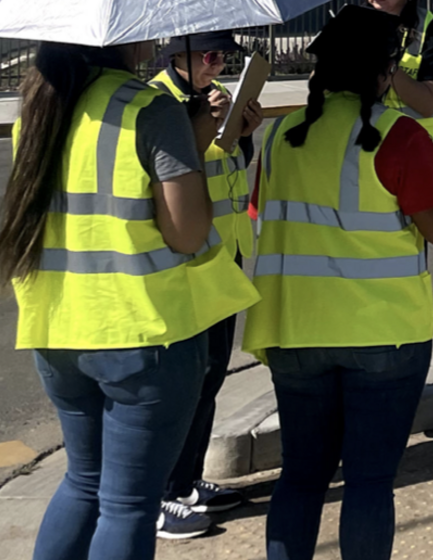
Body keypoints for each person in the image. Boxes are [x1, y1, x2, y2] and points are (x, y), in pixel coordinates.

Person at [0, 41, 260, 560]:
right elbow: (187, 233)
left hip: (58, 329)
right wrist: (193, 140)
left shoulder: (40, 107)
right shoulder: (147, 108)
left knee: (82, 482)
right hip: (144, 334)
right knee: (128, 504)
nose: (156, 42)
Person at [242, 6, 433, 560]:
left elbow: (265, 214)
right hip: (383, 333)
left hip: (293, 330)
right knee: (369, 483)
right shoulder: (398, 135)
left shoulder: (281, 135)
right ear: (383, 73)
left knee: (301, 480)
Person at [147, 31, 264, 539]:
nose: (216, 66)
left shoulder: (204, 102)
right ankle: (167, 490)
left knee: (213, 371)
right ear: (178, 55)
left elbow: (227, 164)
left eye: (223, 58)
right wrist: (207, 124)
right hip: (192, 256)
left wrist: (240, 132)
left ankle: (190, 480)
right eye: (209, 56)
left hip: (225, 251)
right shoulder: (162, 104)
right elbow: (172, 172)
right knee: (188, 377)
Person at [368, 0, 433, 140]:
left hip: (411, 145)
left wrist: (388, 65)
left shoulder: (426, 25)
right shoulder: (349, 21)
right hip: (362, 142)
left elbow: (427, 105)